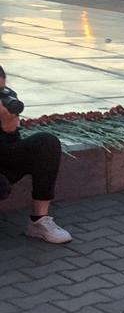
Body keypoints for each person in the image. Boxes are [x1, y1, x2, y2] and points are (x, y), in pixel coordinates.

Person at [0, 67, 71, 243]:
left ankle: (39, 222)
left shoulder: (7, 99)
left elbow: (10, 145)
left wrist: (8, 126)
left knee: (46, 142)